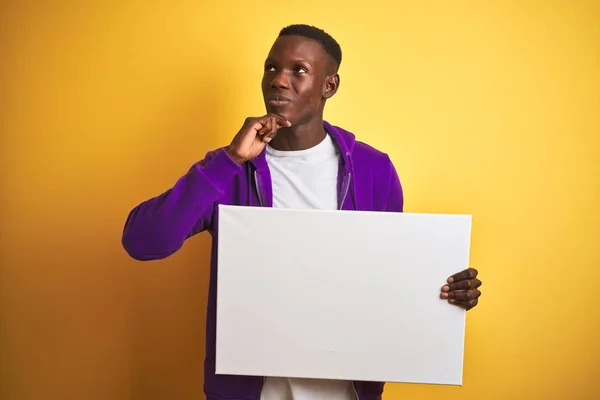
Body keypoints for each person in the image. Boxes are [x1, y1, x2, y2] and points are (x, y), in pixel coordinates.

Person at [121, 24, 483, 400]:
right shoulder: (230, 169)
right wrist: (229, 159)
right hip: (251, 390)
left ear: (329, 86)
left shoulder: (373, 169)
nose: (279, 80)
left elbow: (391, 279)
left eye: (299, 70)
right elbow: (145, 241)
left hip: (345, 389)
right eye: (271, 67)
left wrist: (448, 295)